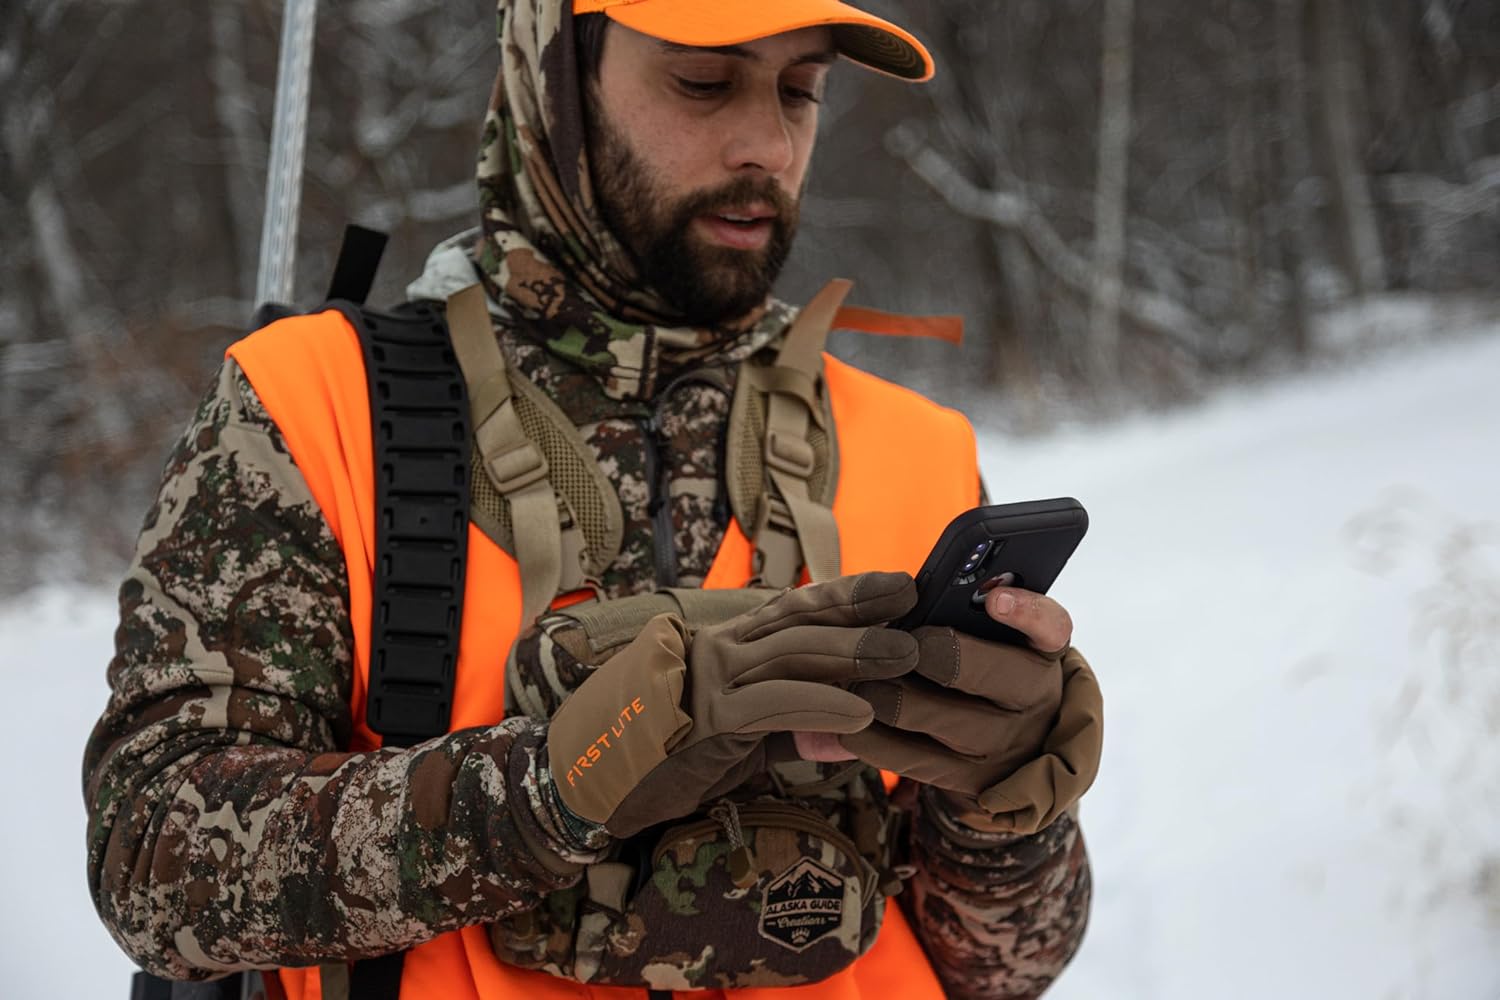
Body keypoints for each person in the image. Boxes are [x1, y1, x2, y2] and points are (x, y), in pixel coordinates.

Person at [83, 1, 1103, 998]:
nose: (767, 143)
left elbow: (997, 967)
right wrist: (554, 784)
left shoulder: (918, 449)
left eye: (801, 90)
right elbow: (150, 866)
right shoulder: (314, 406)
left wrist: (1007, 808)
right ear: (554, 74)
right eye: (703, 80)